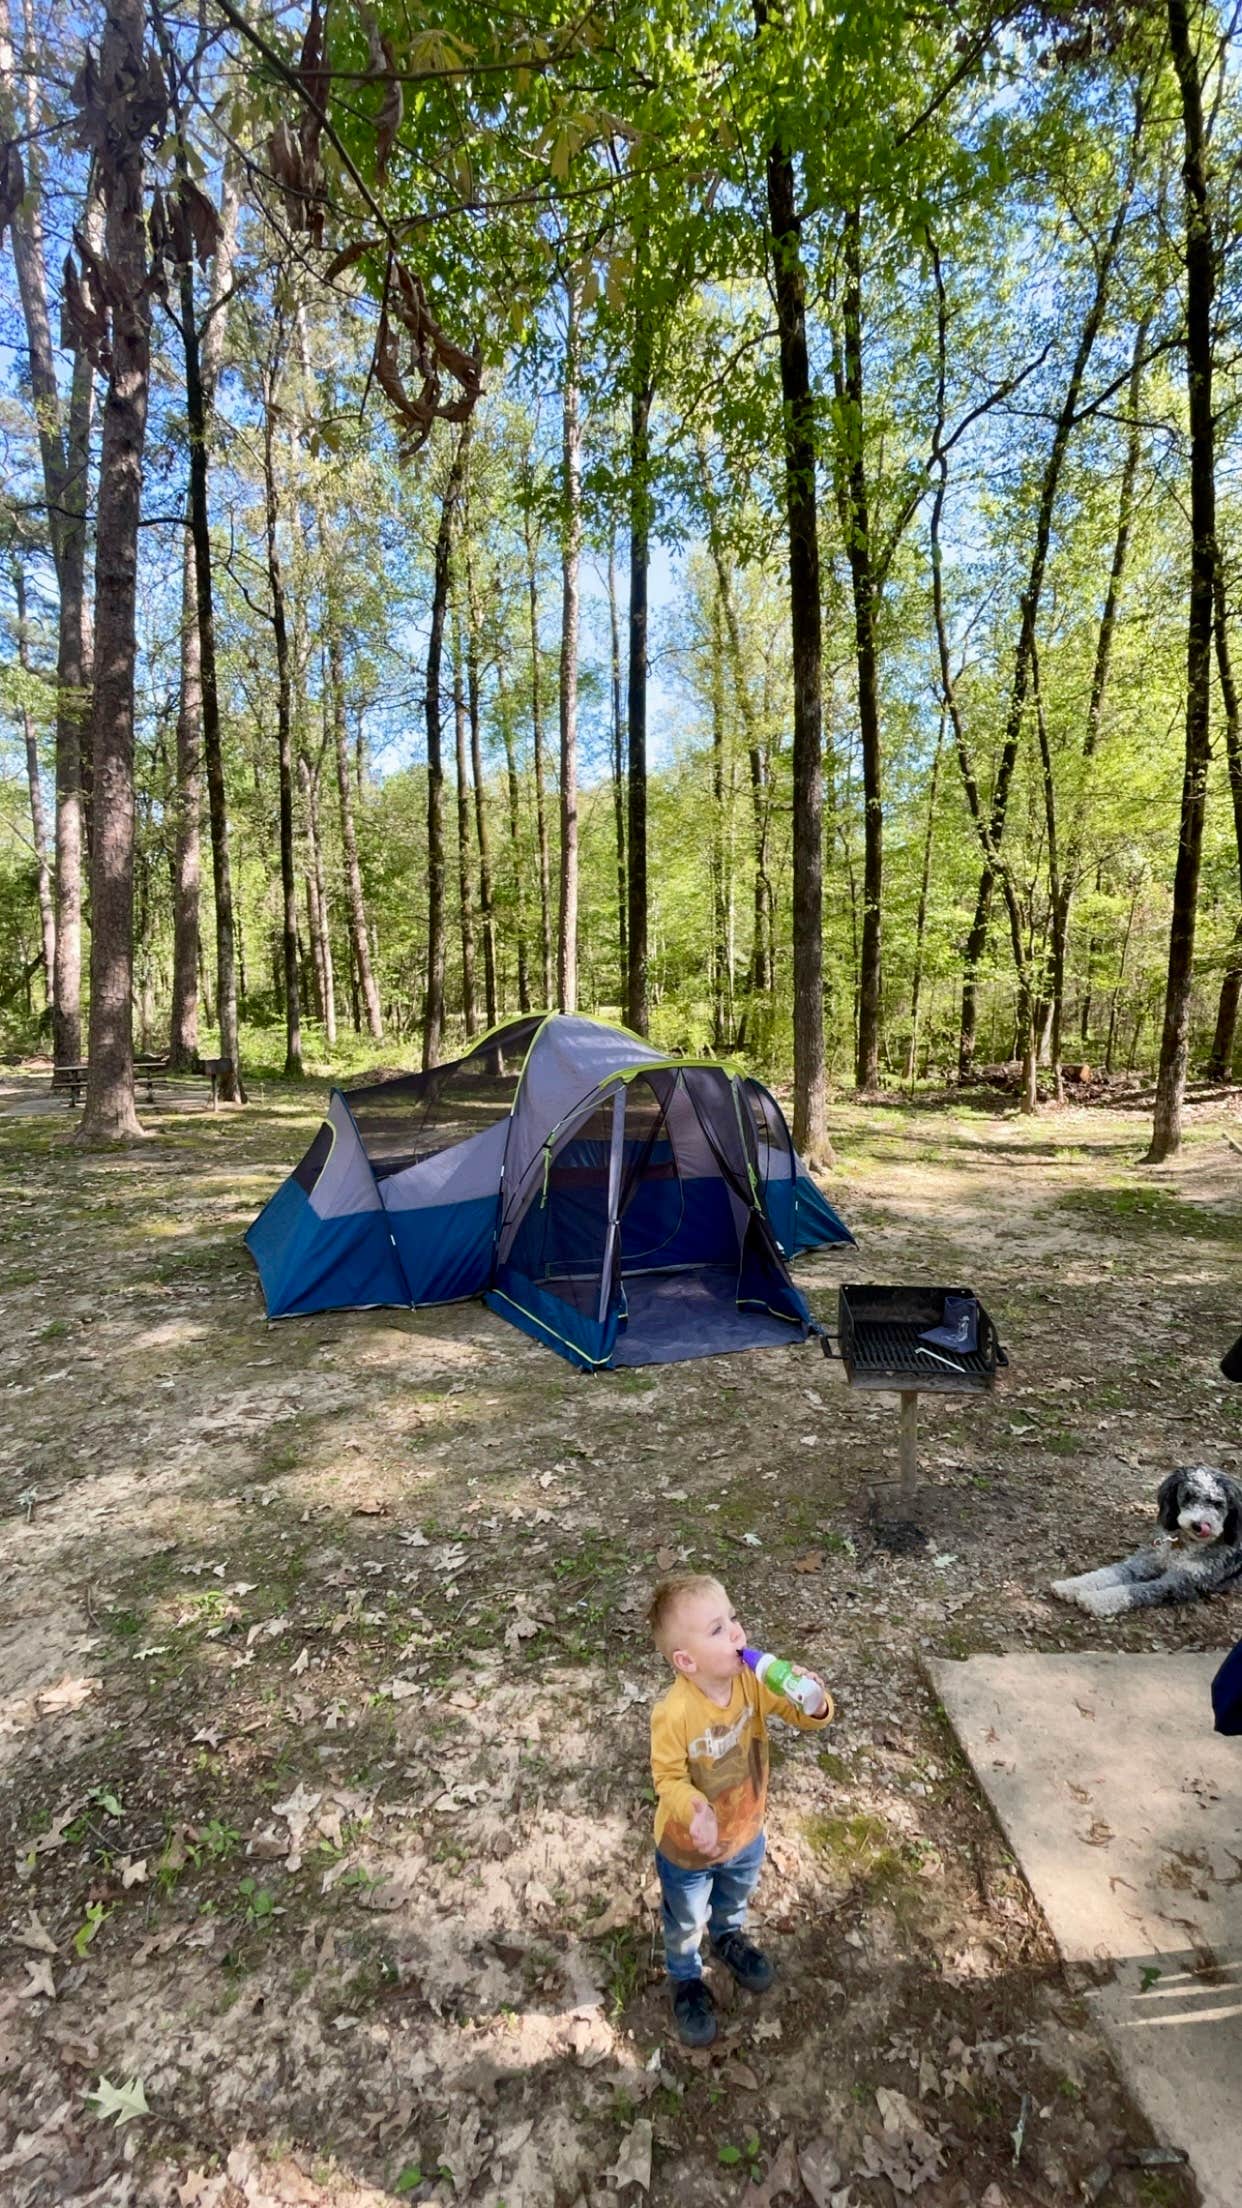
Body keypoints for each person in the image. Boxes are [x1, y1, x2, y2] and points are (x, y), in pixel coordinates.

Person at [647, 1573, 835, 2047]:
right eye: (717, 1629)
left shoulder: (752, 1681)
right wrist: (694, 1808)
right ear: (686, 1661)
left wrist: (813, 1702)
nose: (736, 1631)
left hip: (745, 1833)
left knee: (734, 1897)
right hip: (687, 1851)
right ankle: (685, 1977)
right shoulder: (674, 1713)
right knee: (684, 1919)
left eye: (733, 1618)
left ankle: (727, 1937)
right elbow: (667, 1778)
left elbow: (800, 1714)